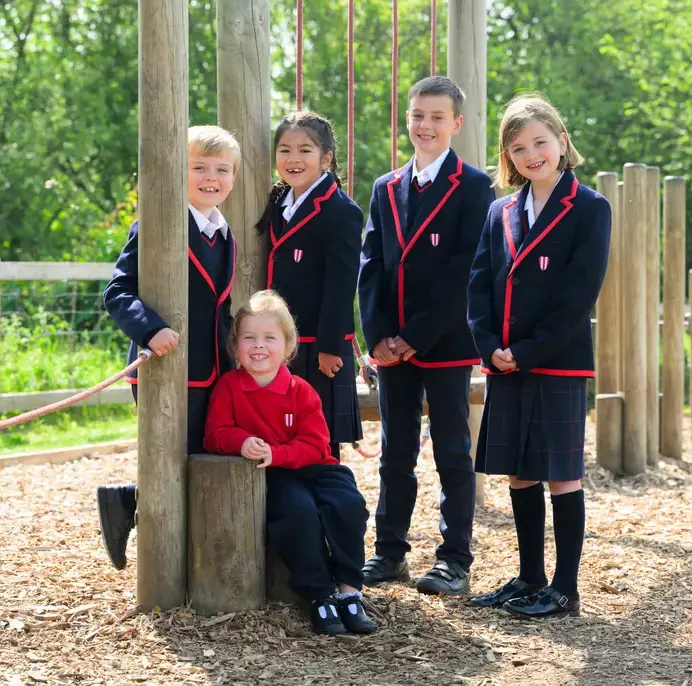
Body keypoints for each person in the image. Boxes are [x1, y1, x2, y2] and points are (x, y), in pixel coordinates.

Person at [467, 93, 611, 618]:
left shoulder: (591, 207)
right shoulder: (499, 210)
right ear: (509, 156)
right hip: (503, 360)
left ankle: (564, 588)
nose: (532, 154)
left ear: (562, 141)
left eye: (540, 142)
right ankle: (529, 577)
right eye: (519, 147)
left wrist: (524, 352)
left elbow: (578, 295)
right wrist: (488, 347)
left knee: (560, 473)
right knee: (518, 472)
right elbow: (479, 283)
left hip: (555, 360)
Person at [358, 76, 495, 595]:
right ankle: (389, 551)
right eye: (418, 115)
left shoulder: (475, 186)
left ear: (456, 124)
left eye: (437, 117)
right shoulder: (385, 186)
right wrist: (378, 336)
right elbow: (370, 263)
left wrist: (415, 334)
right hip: (391, 345)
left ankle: (454, 557)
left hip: (444, 343)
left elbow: (466, 271)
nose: (425, 125)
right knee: (395, 451)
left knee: (453, 452)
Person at [97, 125, 240, 570]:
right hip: (163, 365)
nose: (210, 177)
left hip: (213, 368)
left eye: (221, 169)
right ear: (179, 172)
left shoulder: (226, 234)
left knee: (198, 457)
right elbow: (118, 292)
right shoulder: (156, 226)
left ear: (233, 178)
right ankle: (161, 558)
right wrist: (150, 329)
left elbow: (221, 304)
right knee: (170, 460)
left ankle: (128, 503)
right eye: (199, 167)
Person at [204, 291, 376, 636]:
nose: (258, 346)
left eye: (270, 338)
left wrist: (277, 452)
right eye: (248, 337)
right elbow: (215, 434)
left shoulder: (300, 390)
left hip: (315, 467)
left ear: (288, 345)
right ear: (235, 345)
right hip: (275, 476)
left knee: (348, 504)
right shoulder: (229, 387)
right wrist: (242, 442)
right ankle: (319, 595)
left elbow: (315, 445)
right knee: (297, 512)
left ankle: (348, 589)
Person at [255, 111, 364, 462]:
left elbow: (341, 284)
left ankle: (327, 509)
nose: (293, 159)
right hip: (278, 340)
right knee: (281, 432)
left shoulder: (340, 210)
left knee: (320, 440)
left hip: (318, 346)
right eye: (284, 150)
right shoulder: (278, 201)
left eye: (304, 150)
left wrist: (331, 347)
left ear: (326, 158)